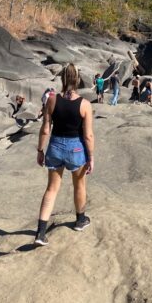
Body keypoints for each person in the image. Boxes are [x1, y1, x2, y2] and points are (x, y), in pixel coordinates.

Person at [35, 63, 94, 246]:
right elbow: (88, 135)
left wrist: (40, 150)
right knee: (79, 184)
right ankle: (80, 220)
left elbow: (45, 129)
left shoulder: (52, 100)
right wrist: (91, 157)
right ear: (77, 80)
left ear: (62, 78)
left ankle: (40, 233)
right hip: (76, 149)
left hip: (55, 147)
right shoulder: (85, 104)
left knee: (51, 189)